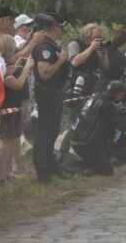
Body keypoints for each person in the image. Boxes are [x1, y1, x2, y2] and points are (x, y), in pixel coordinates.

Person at [70, 81, 126, 176]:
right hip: (89, 143)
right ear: (120, 94)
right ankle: (80, 167)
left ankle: (97, 162)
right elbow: (123, 126)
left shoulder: (98, 96)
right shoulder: (108, 105)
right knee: (107, 171)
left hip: (83, 139)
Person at [31, 13, 71, 183]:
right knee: (45, 132)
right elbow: (44, 73)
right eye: (59, 26)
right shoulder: (45, 48)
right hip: (47, 93)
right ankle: (43, 169)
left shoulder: (52, 45)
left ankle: (51, 164)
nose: (61, 29)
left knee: (52, 130)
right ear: (53, 27)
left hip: (54, 93)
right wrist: (61, 61)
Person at [0, 34, 34, 182]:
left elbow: (11, 74)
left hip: (14, 106)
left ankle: (7, 173)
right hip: (7, 107)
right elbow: (16, 83)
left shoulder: (3, 64)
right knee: (5, 142)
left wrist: (18, 67)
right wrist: (26, 69)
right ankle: (1, 177)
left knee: (12, 140)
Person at [68, 23, 108, 95]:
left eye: (100, 38)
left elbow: (105, 67)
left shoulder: (97, 49)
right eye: (96, 37)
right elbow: (74, 62)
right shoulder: (75, 44)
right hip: (75, 83)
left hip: (91, 84)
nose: (98, 40)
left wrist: (103, 55)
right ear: (87, 35)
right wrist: (91, 48)